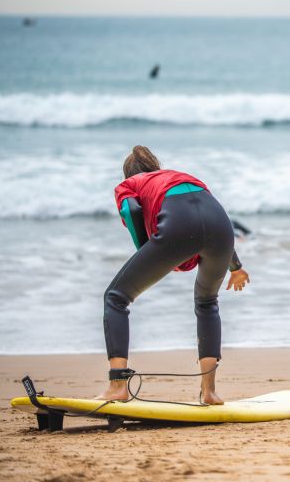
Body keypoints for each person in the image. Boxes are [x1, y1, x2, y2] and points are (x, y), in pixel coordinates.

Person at [99, 146, 250, 403]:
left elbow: (131, 210)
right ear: (155, 165)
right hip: (221, 226)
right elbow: (207, 214)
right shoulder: (180, 176)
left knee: (116, 297)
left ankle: (117, 385)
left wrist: (145, 250)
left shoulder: (129, 184)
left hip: (180, 226)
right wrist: (235, 267)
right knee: (207, 302)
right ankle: (209, 391)